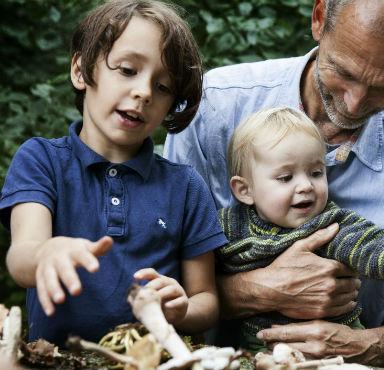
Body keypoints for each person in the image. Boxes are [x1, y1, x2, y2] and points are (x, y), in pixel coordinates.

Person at [164, 0, 384, 365]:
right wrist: (261, 290)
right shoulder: (212, 110)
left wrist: (367, 345)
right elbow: (156, 274)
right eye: (344, 72)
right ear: (319, 18)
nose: (354, 105)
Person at [0, 0, 227, 346]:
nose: (144, 92)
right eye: (126, 69)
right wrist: (45, 253)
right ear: (80, 70)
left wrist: (183, 310)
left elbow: (206, 300)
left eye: (163, 87)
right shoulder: (41, 159)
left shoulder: (185, 187)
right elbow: (21, 258)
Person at [217, 106, 384, 351]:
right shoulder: (228, 227)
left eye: (316, 173)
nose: (306, 186)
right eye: (286, 178)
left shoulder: (331, 226)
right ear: (245, 190)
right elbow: (195, 270)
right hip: (257, 352)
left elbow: (373, 247)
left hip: (335, 352)